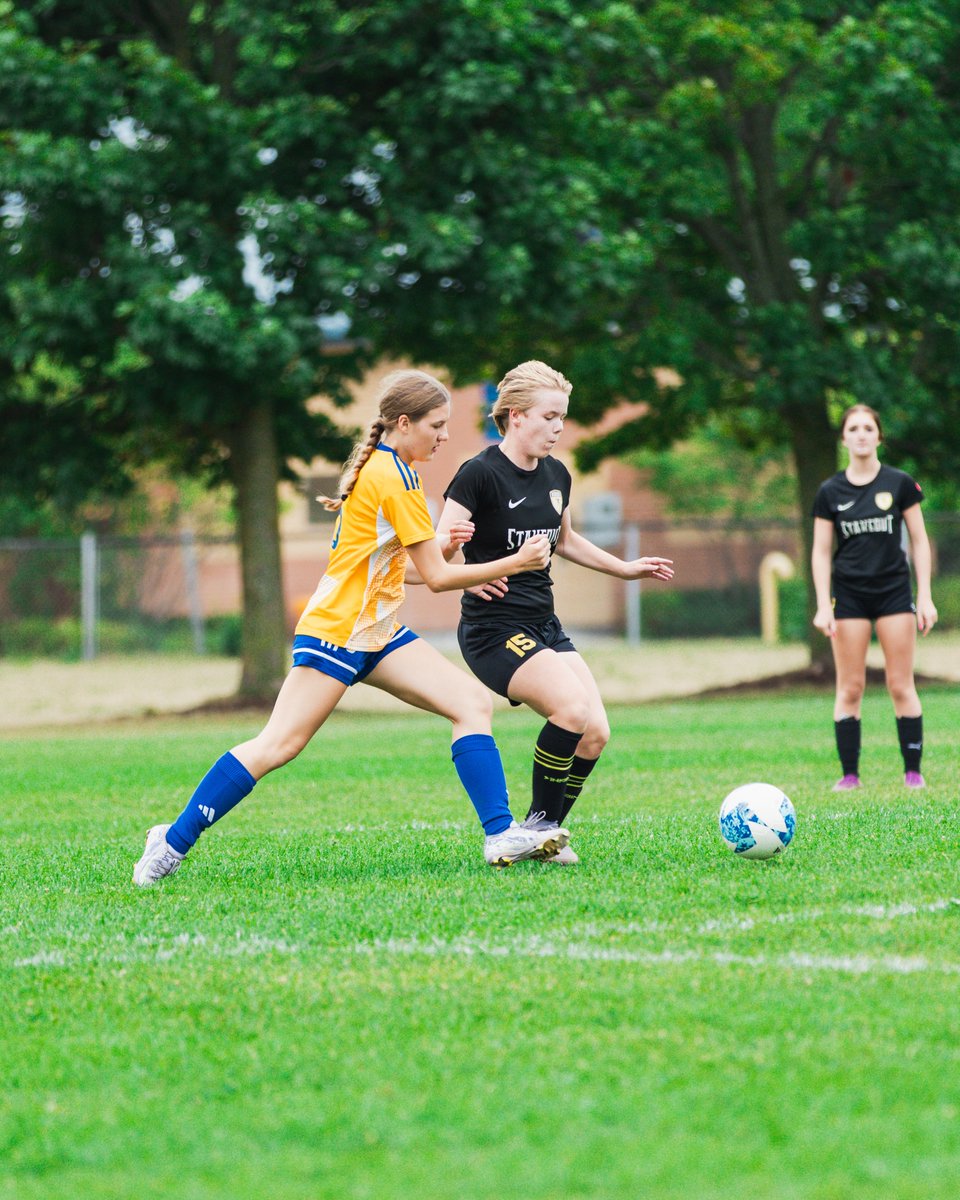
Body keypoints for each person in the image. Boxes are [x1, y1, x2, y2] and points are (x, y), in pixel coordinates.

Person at [133, 369, 566, 885]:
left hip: (378, 631)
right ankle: (172, 841)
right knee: (279, 745)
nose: (445, 436)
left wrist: (449, 547)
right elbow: (437, 577)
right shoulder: (396, 478)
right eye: (437, 425)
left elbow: (408, 574)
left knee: (470, 704)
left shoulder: (393, 471)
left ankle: (500, 834)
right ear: (404, 424)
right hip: (338, 631)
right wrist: (513, 563)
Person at [436, 360, 674, 865]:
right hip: (492, 628)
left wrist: (625, 569)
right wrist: (471, 569)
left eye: (562, 417)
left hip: (544, 624)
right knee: (571, 709)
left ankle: (543, 837)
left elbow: (565, 541)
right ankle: (537, 827)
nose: (559, 427)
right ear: (516, 416)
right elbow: (436, 553)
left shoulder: (556, 474)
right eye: (549, 416)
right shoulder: (477, 474)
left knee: (595, 733)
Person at [811, 402, 937, 790]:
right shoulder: (830, 491)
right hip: (849, 597)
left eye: (869, 428)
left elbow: (918, 540)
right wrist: (822, 605)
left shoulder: (899, 483)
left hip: (894, 594)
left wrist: (926, 596)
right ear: (844, 437)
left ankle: (912, 773)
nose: (862, 434)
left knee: (901, 684)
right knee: (850, 688)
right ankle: (850, 775)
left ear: (879, 436)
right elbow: (820, 551)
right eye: (854, 428)